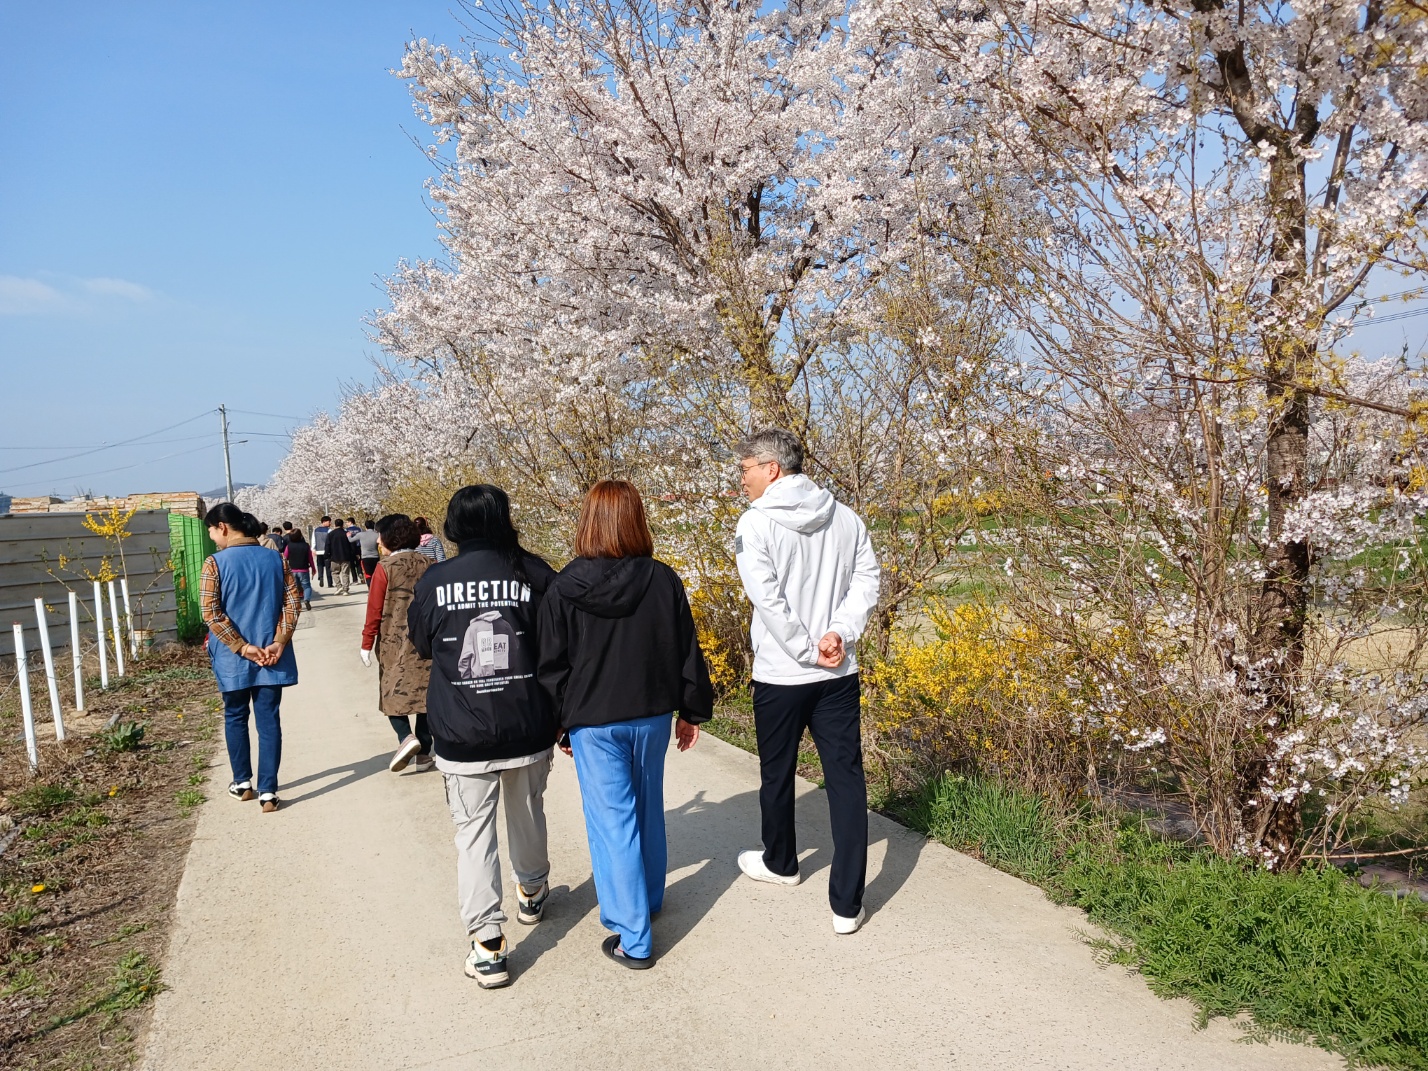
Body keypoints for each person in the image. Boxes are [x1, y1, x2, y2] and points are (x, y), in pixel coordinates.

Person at [537, 481, 712, 969]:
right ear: (637, 518)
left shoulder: (564, 585)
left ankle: (634, 937)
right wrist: (691, 710)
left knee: (612, 821)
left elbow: (552, 664)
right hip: (652, 715)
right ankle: (649, 901)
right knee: (647, 808)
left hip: (595, 720)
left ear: (588, 521)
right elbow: (685, 648)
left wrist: (561, 724)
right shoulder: (662, 580)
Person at [406, 485, 559, 990]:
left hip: (460, 730)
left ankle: (488, 946)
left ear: (453, 525)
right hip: (527, 722)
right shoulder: (533, 573)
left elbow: (423, 644)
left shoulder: (435, 580)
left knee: (473, 835)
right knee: (528, 810)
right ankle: (532, 891)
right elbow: (558, 643)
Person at [732, 428, 880, 935]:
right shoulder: (845, 516)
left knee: (777, 772)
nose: (742, 479)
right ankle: (846, 904)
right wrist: (839, 633)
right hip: (838, 671)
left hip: (781, 672)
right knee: (845, 779)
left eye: (746, 468)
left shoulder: (754, 526)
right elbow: (868, 579)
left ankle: (781, 863)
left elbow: (766, 599)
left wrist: (802, 647)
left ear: (772, 468)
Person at [200, 502, 303, 813]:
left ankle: (242, 782)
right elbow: (293, 602)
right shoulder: (275, 559)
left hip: (234, 658)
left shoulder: (214, 564)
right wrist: (279, 641)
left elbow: (211, 614)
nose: (211, 537)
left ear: (223, 527)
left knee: (235, 716)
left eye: (211, 531)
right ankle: (268, 791)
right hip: (272, 656)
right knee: (269, 720)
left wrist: (242, 647)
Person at [360, 514, 435, 774]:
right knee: (426, 696)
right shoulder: (430, 563)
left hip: (394, 641)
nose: (378, 541)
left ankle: (405, 736)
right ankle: (425, 752)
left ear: (389, 537)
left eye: (380, 536)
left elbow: (375, 610)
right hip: (428, 640)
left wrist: (366, 643)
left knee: (392, 691)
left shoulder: (384, 568)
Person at [282, 528, 315, 610]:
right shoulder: (306, 545)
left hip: (293, 570)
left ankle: (296, 604)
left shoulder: (289, 546)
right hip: (304, 569)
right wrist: (313, 569)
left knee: (294, 588)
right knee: (306, 586)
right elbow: (310, 559)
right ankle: (306, 600)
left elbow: (285, 558)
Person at [324, 519, 359, 595]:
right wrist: (354, 553)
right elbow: (352, 544)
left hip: (334, 557)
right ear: (342, 525)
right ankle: (345, 589)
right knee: (345, 573)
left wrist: (327, 555)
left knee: (334, 572)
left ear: (335, 525)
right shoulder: (347, 533)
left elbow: (327, 546)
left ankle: (339, 586)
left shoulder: (330, 534)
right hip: (346, 556)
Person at [357, 520, 380, 584]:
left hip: (365, 557)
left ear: (366, 526)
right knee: (375, 573)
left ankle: (370, 588)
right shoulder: (377, 535)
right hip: (375, 556)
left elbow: (351, 540)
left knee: (367, 574)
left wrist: (348, 536)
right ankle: (376, 587)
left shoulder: (361, 534)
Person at [312, 516, 333, 588]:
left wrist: (313, 549)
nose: (330, 523)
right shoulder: (329, 531)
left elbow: (313, 540)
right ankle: (330, 583)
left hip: (318, 551)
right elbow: (331, 542)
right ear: (324, 522)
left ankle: (321, 577)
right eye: (329, 521)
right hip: (326, 551)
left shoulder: (316, 530)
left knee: (320, 565)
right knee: (328, 567)